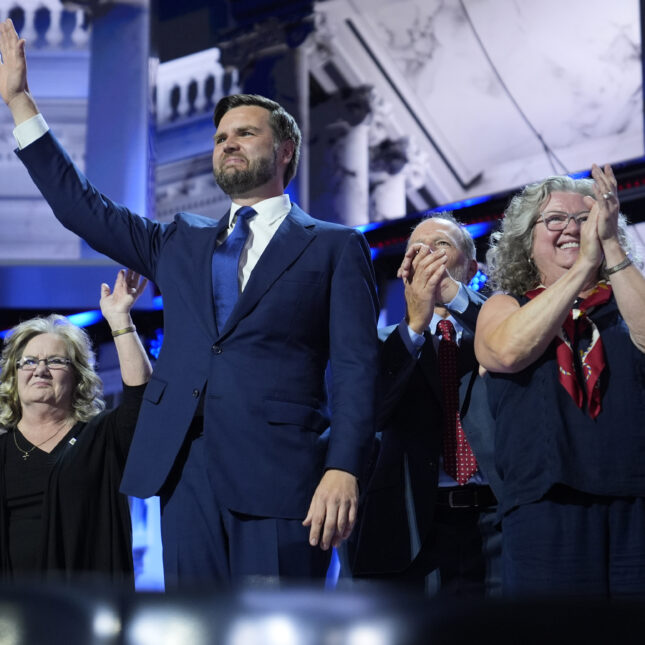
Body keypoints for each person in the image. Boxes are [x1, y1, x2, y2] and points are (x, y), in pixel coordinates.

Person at [0, 18, 379, 587]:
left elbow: (356, 367)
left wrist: (344, 465)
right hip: (184, 475)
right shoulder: (179, 240)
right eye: (221, 137)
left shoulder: (333, 246)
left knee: (273, 630)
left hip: (281, 478)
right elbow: (82, 207)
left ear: (286, 150)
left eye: (245, 134)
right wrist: (20, 101)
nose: (228, 143)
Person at [474, 165, 645, 596]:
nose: (572, 227)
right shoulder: (505, 304)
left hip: (636, 497)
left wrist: (607, 246)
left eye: (585, 217)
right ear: (526, 243)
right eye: (555, 219)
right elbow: (507, 351)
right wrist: (583, 265)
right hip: (544, 501)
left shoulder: (626, 295)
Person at [351, 213, 501, 596]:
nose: (428, 256)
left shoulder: (498, 328)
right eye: (418, 249)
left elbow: (513, 341)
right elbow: (367, 412)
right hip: (414, 523)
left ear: (470, 268)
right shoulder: (382, 342)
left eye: (441, 246)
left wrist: (453, 296)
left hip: (496, 521)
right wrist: (415, 327)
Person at [0, 269, 151, 585]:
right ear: (13, 377)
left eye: (55, 361)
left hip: (82, 616)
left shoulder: (101, 438)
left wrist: (120, 319)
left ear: (78, 377)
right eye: (29, 362)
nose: (40, 369)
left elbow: (142, 400)